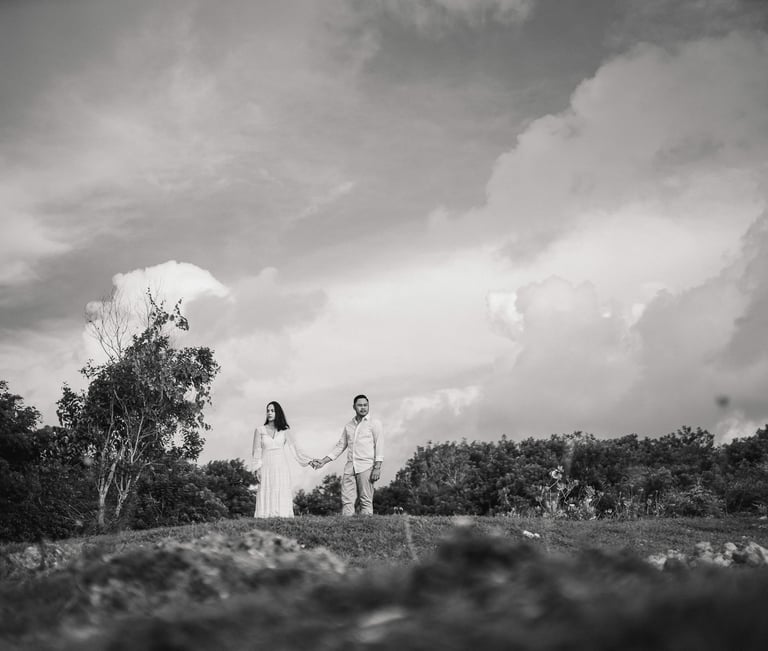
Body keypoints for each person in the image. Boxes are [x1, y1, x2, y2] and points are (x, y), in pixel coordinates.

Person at [312, 394, 383, 515]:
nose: (363, 408)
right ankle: (346, 523)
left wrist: (377, 467)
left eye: (365, 405)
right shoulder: (349, 426)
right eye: (360, 405)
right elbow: (340, 446)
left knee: (366, 500)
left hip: (366, 466)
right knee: (347, 500)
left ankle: (367, 524)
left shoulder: (374, 423)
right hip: (350, 467)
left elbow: (379, 445)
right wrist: (323, 461)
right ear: (354, 407)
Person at [250, 401, 313, 518]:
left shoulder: (285, 431)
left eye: (272, 411)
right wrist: (257, 468)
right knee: (266, 490)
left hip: (281, 466)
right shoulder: (259, 430)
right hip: (266, 466)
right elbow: (256, 451)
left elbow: (296, 449)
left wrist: (310, 461)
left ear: (278, 413)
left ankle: (282, 516)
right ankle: (265, 516)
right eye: (268, 411)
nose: (269, 413)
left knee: (281, 490)